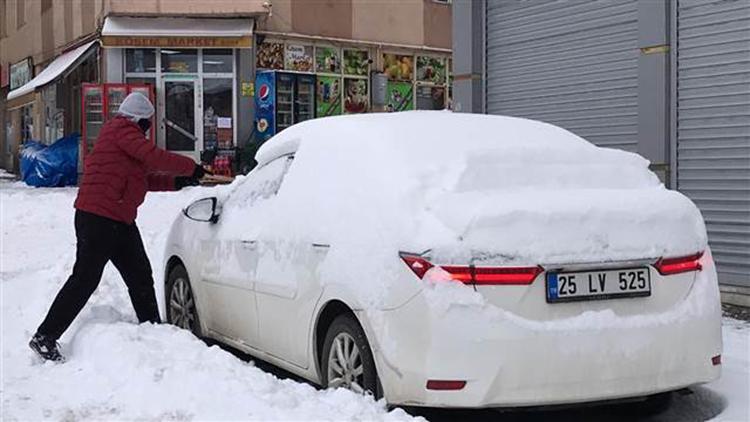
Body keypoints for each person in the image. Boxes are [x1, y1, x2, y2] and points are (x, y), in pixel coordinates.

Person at [29, 92, 207, 362]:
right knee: (85, 279)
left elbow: (143, 179)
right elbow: (154, 157)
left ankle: (153, 332)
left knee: (139, 275)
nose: (148, 127)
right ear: (138, 119)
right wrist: (191, 168)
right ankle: (45, 336)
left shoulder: (122, 140)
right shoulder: (122, 131)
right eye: (147, 122)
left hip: (117, 218)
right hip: (99, 218)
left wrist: (178, 182)